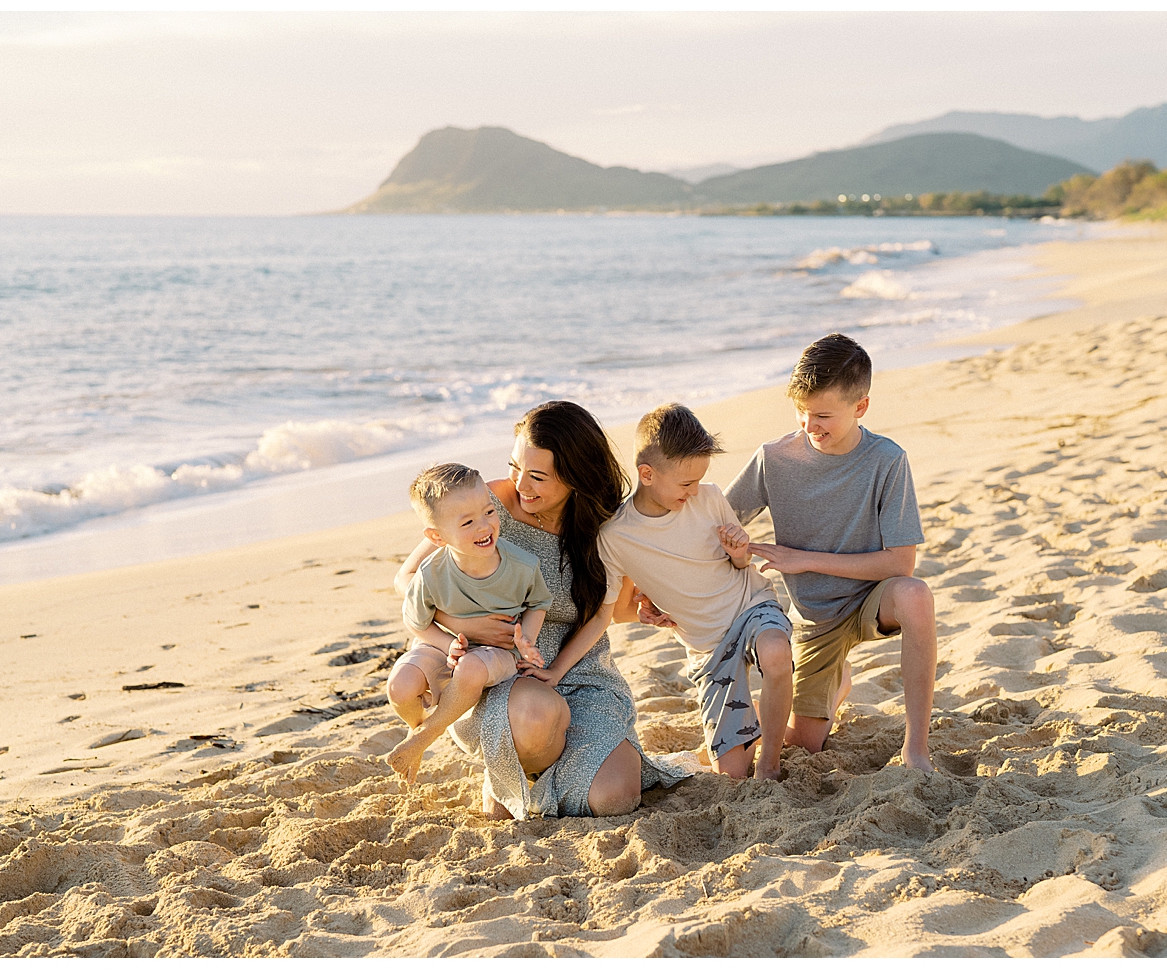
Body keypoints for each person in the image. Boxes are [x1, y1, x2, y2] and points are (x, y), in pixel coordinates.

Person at [391, 401, 684, 819]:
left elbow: (607, 613)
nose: (521, 484)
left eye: (538, 476)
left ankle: (528, 781)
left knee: (614, 797)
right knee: (532, 716)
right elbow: (407, 580)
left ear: (575, 476)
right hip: (496, 673)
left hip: (579, 670)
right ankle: (512, 773)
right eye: (515, 467)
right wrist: (461, 624)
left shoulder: (607, 526)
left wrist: (642, 612)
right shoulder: (489, 506)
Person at [723, 333, 937, 771]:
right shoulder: (774, 458)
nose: (809, 425)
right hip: (814, 618)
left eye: (822, 415)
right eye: (801, 412)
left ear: (861, 407)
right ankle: (836, 684)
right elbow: (718, 522)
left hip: (871, 599)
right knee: (804, 746)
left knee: (916, 594)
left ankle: (916, 748)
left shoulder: (887, 460)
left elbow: (901, 562)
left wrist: (804, 559)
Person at [600, 404, 794, 781]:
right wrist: (642, 613)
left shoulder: (709, 497)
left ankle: (770, 761)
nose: (694, 492)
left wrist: (740, 553)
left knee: (775, 652)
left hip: (750, 605)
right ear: (647, 474)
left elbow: (739, 565)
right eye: (685, 484)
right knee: (731, 774)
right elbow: (616, 609)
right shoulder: (616, 535)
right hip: (707, 646)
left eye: (699, 481)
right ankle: (759, 714)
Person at [386, 463, 550, 784]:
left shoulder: (521, 564)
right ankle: (415, 727)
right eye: (468, 522)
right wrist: (448, 645)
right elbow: (417, 622)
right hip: (441, 642)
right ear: (437, 536)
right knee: (400, 687)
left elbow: (539, 602)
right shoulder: (431, 573)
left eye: (489, 511)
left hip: (497, 650)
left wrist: (526, 639)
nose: (484, 526)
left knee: (471, 668)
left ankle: (425, 737)